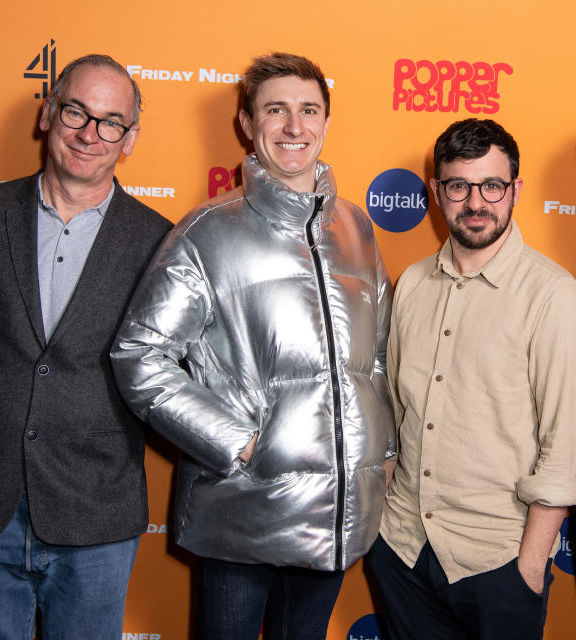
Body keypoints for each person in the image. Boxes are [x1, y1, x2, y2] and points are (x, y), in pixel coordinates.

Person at [110, 52, 396, 640]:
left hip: (334, 518)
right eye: (276, 110)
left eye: (309, 110)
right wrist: (238, 444)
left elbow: (379, 356)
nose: (295, 127)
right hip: (240, 513)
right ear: (246, 123)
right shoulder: (206, 232)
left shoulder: (357, 228)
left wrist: (381, 452)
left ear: (325, 121)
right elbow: (140, 355)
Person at [0, 54, 172, 640]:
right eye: (76, 112)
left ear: (129, 139)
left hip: (97, 511)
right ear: (47, 113)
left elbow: (161, 376)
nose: (90, 134)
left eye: (111, 122)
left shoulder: (159, 240)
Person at [368, 118, 576, 640]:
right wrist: (383, 529)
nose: (476, 202)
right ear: (436, 192)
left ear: (515, 189)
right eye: (458, 186)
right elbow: (395, 415)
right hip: (403, 548)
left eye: (492, 186)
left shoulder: (553, 298)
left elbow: (563, 449)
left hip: (497, 563)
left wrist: (530, 569)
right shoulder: (412, 286)